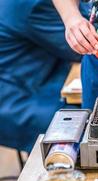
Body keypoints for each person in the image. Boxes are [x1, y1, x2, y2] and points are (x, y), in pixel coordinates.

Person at [0, 0, 89, 152]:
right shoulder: (35, 5)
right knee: (87, 125)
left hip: (34, 81)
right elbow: (79, 48)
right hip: (16, 100)